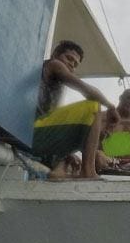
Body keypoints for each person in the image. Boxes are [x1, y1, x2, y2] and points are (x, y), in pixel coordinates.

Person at [33, 40, 118, 179]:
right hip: (31, 131)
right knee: (93, 106)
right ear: (55, 54)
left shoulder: (54, 84)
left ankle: (60, 168)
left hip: (39, 133)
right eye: (69, 58)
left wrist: (68, 152)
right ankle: (88, 172)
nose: (72, 64)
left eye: (75, 64)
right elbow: (86, 90)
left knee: (78, 145)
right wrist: (111, 106)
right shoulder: (54, 64)